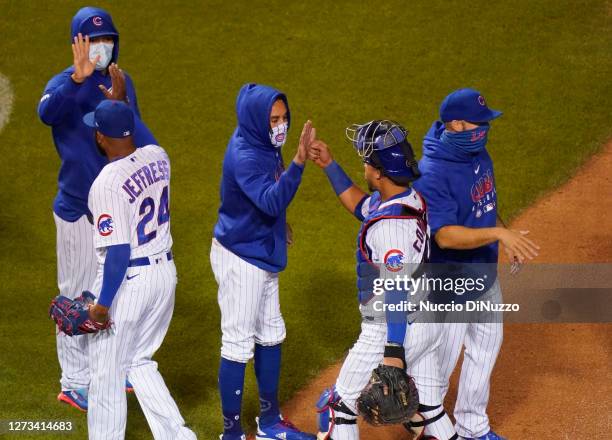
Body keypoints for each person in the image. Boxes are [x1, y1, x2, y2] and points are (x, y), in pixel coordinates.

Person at [37, 6, 157, 411]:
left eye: (107, 40)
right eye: (93, 40)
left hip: (114, 206)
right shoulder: (63, 84)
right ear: (78, 44)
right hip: (76, 209)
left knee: (112, 287)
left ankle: (109, 364)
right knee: (75, 294)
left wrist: (121, 101)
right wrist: (77, 79)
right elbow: (45, 113)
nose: (101, 47)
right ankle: (74, 380)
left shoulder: (123, 82)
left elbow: (133, 134)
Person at [309, 121, 457, 440]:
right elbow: (364, 207)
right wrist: (329, 166)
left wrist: (393, 349)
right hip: (429, 318)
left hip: (392, 327)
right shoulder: (408, 199)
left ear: (377, 172)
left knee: (338, 407)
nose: (362, 164)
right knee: (430, 407)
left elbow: (396, 289)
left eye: (365, 160)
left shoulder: (389, 229)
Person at [413, 88, 540, 440]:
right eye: (478, 123)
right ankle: (430, 428)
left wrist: (505, 235)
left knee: (485, 348)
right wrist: (500, 234)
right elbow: (446, 236)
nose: (484, 129)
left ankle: (472, 426)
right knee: (441, 362)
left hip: (483, 272)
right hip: (450, 280)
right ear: (455, 124)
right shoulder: (432, 172)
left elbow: (485, 202)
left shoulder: (478, 153)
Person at [84, 99, 196, 440]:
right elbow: (143, 136)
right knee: (139, 361)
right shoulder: (158, 157)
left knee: (106, 372)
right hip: (164, 277)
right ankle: (179, 436)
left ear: (101, 137)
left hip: (130, 281)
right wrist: (126, 104)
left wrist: (102, 306)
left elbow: (118, 251)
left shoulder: (106, 182)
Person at [210, 83, 316, 440]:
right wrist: (300, 162)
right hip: (241, 257)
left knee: (271, 334)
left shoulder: (264, 144)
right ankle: (231, 433)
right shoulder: (246, 154)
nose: (281, 125)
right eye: (274, 119)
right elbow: (270, 199)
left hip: (261, 249)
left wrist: (279, 223)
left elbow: (268, 198)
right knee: (238, 343)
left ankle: (269, 423)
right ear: (258, 120)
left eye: (284, 117)